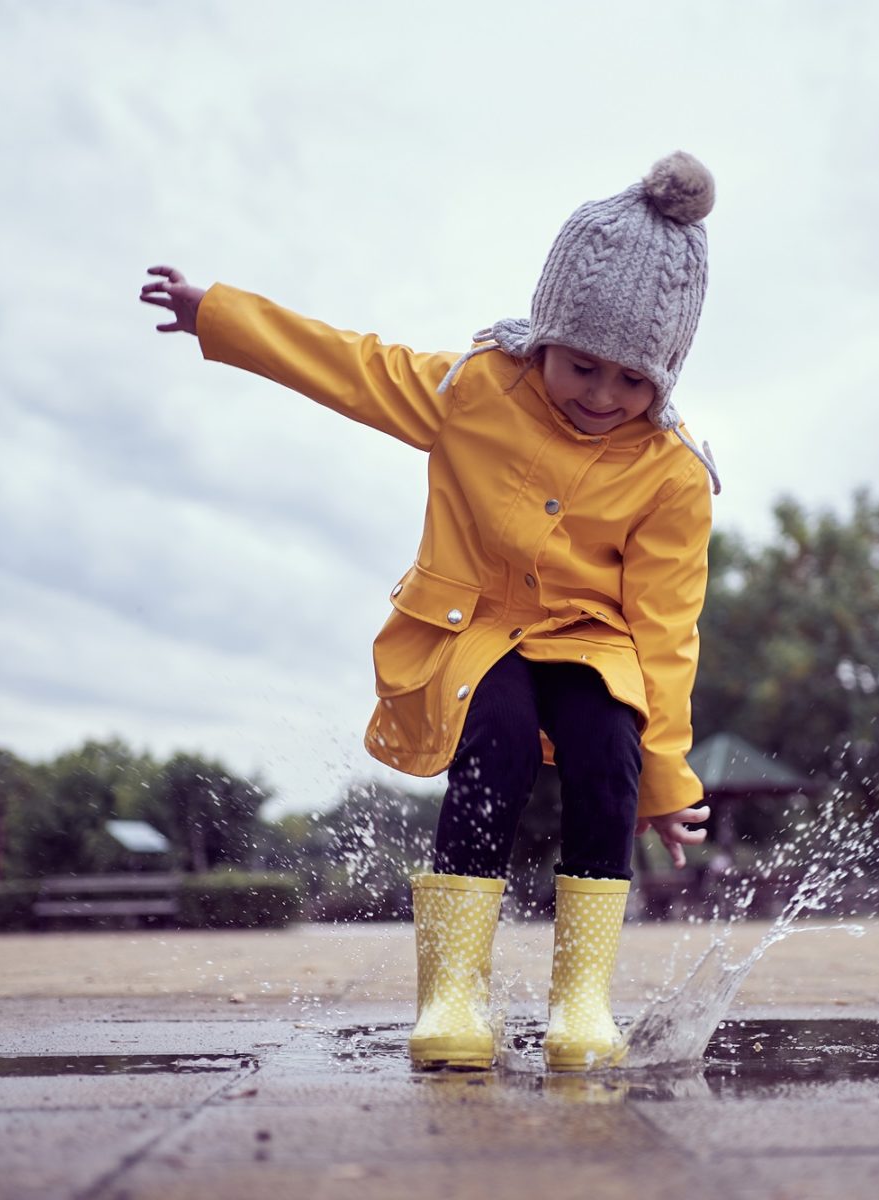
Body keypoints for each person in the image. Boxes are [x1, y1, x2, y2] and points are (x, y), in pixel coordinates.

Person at [139, 151, 720, 1072]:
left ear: (668, 373)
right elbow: (355, 369)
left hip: (596, 643)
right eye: (581, 365)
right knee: (494, 734)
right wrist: (222, 314)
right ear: (547, 334)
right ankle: (453, 993)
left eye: (633, 380)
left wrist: (667, 777)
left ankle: (582, 1004)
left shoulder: (674, 474)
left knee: (608, 746)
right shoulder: (477, 390)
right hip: (478, 631)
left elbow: (665, 631)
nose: (603, 396)